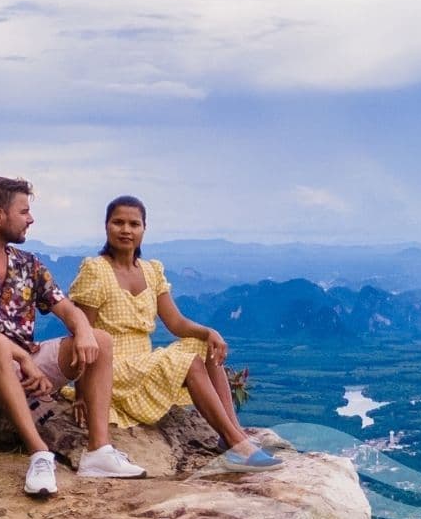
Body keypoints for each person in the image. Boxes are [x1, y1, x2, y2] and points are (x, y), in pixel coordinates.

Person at [0, 176, 147, 495]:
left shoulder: (27, 264)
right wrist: (20, 357)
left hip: (25, 362)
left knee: (100, 340)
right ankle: (39, 455)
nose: (30, 219)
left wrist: (84, 330)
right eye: (24, 211)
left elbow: (66, 307)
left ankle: (99, 453)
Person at [65, 196, 277, 468]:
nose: (126, 230)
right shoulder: (96, 271)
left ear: (144, 229)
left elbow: (176, 323)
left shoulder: (152, 271)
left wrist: (208, 331)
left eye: (134, 224)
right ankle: (237, 444)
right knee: (187, 362)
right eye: (118, 222)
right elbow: (85, 336)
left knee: (203, 348)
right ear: (106, 227)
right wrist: (83, 392)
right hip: (113, 369)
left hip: (143, 361)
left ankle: (232, 433)